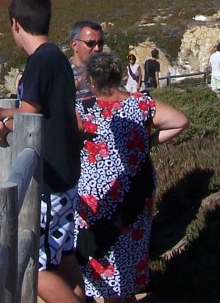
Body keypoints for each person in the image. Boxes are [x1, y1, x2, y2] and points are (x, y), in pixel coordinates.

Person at [0, 0, 85, 303]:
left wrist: (6, 125)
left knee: (31, 268)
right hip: (66, 174)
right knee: (63, 257)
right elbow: (36, 110)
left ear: (16, 24)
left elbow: (30, 114)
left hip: (49, 180)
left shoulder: (37, 62)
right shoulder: (58, 58)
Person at [75, 50, 188, 302]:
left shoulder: (82, 110)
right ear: (122, 75)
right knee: (126, 263)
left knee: (94, 262)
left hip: (95, 200)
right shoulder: (142, 103)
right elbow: (180, 121)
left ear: (91, 80)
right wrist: (146, 143)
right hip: (136, 194)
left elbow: (57, 138)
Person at [69, 20, 105, 100]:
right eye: (90, 43)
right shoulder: (63, 73)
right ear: (74, 45)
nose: (97, 48)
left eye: (100, 43)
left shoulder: (107, 70)